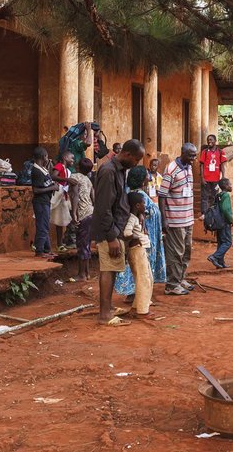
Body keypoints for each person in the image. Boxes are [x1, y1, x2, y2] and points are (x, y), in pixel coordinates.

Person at [92, 139, 144, 327]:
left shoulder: (120, 170)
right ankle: (104, 314)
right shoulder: (108, 171)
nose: (137, 164)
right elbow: (103, 207)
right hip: (109, 231)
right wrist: (112, 236)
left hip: (117, 229)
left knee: (113, 268)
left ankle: (108, 307)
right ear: (128, 155)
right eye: (136, 160)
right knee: (108, 268)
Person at [115, 166, 167, 302]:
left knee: (145, 265)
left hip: (150, 235)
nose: (148, 176)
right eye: (146, 175)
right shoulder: (137, 195)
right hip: (145, 236)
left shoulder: (139, 193)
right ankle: (135, 294)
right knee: (142, 264)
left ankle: (140, 293)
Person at [160, 143, 197, 296]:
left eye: (195, 156)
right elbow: (162, 195)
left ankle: (180, 278)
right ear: (182, 153)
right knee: (175, 252)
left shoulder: (188, 167)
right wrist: (164, 220)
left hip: (188, 218)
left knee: (186, 251)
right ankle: (172, 285)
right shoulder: (171, 169)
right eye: (190, 156)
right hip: (174, 219)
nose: (193, 159)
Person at [122, 192, 154, 318]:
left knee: (147, 278)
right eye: (143, 203)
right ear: (137, 205)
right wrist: (137, 237)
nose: (145, 205)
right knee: (143, 279)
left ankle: (138, 305)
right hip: (137, 250)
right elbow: (126, 233)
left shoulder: (136, 216)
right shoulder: (132, 218)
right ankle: (142, 310)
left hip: (139, 250)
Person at [29, 147, 59, 259]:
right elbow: (36, 190)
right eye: (46, 156)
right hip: (40, 202)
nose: (48, 158)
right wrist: (52, 187)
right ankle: (40, 250)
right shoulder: (36, 171)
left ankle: (47, 249)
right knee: (42, 225)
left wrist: (52, 185)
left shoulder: (42, 169)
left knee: (45, 225)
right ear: (43, 157)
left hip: (45, 201)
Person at [69, 158, 95, 280]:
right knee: (87, 243)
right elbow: (93, 198)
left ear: (78, 167)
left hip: (82, 214)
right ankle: (87, 273)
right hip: (91, 213)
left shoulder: (74, 177)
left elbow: (74, 195)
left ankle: (81, 274)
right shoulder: (88, 180)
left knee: (81, 244)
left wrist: (74, 213)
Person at [199, 135, 233, 216]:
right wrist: (202, 178)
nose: (209, 141)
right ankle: (204, 213)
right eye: (208, 140)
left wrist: (223, 177)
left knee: (214, 196)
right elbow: (201, 165)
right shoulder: (204, 152)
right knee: (204, 197)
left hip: (216, 179)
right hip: (206, 178)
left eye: (211, 140)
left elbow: (222, 165)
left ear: (215, 141)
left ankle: (213, 213)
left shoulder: (220, 152)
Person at [50, 151, 75, 251]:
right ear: (65, 157)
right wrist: (67, 180)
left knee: (59, 220)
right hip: (55, 195)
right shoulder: (60, 166)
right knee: (46, 217)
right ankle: (37, 243)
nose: (73, 160)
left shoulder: (68, 170)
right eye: (72, 158)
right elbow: (53, 176)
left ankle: (59, 244)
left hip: (62, 196)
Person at [208, 178, 233, 268]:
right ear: (226, 186)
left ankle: (220, 262)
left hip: (218, 222)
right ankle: (214, 257)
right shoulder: (226, 195)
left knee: (221, 242)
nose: (231, 186)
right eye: (230, 184)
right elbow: (225, 209)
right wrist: (230, 220)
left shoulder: (219, 195)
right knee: (228, 242)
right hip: (224, 222)